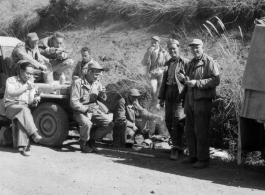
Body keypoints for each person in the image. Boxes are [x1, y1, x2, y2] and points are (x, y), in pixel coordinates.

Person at [183, 39, 220, 169]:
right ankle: (193, 157)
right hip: (191, 100)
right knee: (189, 131)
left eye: (197, 47)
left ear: (203, 47)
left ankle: (203, 160)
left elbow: (216, 80)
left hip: (203, 101)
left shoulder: (209, 62)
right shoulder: (191, 63)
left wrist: (197, 83)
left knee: (201, 131)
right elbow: (189, 80)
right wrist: (186, 81)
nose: (195, 50)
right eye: (192, 48)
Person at [70, 61, 113, 153]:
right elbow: (74, 102)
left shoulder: (97, 83)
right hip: (80, 111)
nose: (98, 77)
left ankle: (91, 140)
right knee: (87, 123)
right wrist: (86, 109)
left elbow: (100, 99)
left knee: (109, 124)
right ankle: (83, 142)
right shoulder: (78, 83)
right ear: (89, 72)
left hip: (94, 109)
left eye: (99, 75)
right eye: (96, 74)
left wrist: (102, 95)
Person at [158, 39, 189, 161]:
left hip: (179, 93)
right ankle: (179, 145)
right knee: (168, 121)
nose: (172, 51)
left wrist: (184, 78)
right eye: (170, 49)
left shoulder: (186, 62)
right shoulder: (168, 63)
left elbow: (192, 78)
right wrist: (161, 97)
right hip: (168, 93)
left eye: (174, 48)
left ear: (179, 48)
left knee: (177, 120)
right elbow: (163, 82)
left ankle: (175, 148)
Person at [4, 62, 42, 156]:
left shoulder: (30, 84)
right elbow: (11, 93)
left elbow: (30, 101)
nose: (29, 76)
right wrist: (26, 88)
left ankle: (23, 146)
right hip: (10, 107)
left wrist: (34, 101)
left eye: (31, 74)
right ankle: (34, 134)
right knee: (23, 110)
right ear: (21, 71)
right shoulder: (11, 80)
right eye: (27, 73)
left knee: (23, 112)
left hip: (23, 108)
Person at [141, 36, 170, 107]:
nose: (153, 44)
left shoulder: (164, 52)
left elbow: (169, 63)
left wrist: (163, 69)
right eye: (152, 43)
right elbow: (144, 63)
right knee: (153, 89)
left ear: (158, 43)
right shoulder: (148, 51)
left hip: (161, 73)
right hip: (152, 73)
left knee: (161, 89)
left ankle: (160, 104)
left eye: (155, 43)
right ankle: (154, 104)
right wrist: (148, 53)